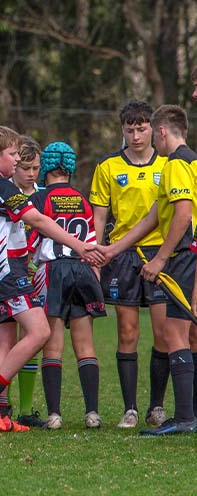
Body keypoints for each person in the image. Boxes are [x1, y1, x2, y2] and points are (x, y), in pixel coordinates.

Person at [0, 124, 102, 432]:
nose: (17, 159)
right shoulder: (1, 186)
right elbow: (38, 220)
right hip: (5, 272)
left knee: (4, 341)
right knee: (40, 331)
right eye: (13, 154)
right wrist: (79, 245)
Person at [100, 105, 197, 435]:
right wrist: (112, 249)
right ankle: (187, 414)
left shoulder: (177, 163)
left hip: (181, 256)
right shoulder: (190, 161)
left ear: (161, 131)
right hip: (182, 256)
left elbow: (182, 215)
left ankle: (183, 417)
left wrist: (160, 258)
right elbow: (155, 215)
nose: (147, 138)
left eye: (150, 132)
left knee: (174, 333)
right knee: (184, 332)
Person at [89, 100, 169, 429]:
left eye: (141, 129)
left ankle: (157, 407)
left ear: (154, 129)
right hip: (121, 256)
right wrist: (95, 256)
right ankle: (131, 409)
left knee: (164, 333)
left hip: (161, 253)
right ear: (122, 130)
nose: (135, 136)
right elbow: (99, 216)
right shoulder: (108, 166)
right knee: (127, 332)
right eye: (130, 129)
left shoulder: (168, 164)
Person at [28, 142, 107, 429]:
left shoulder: (39, 199)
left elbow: (32, 240)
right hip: (83, 270)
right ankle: (92, 413)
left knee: (53, 347)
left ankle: (54, 415)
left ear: (45, 168)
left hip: (54, 272)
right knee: (86, 346)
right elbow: (91, 240)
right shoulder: (82, 199)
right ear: (70, 168)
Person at [6, 136, 45, 428]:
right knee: (7, 340)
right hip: (10, 272)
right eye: (26, 168)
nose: (31, 174)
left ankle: (26, 408)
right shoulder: (5, 192)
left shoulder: (44, 195)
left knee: (32, 340)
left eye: (36, 168)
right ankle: (1, 406)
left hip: (38, 273)